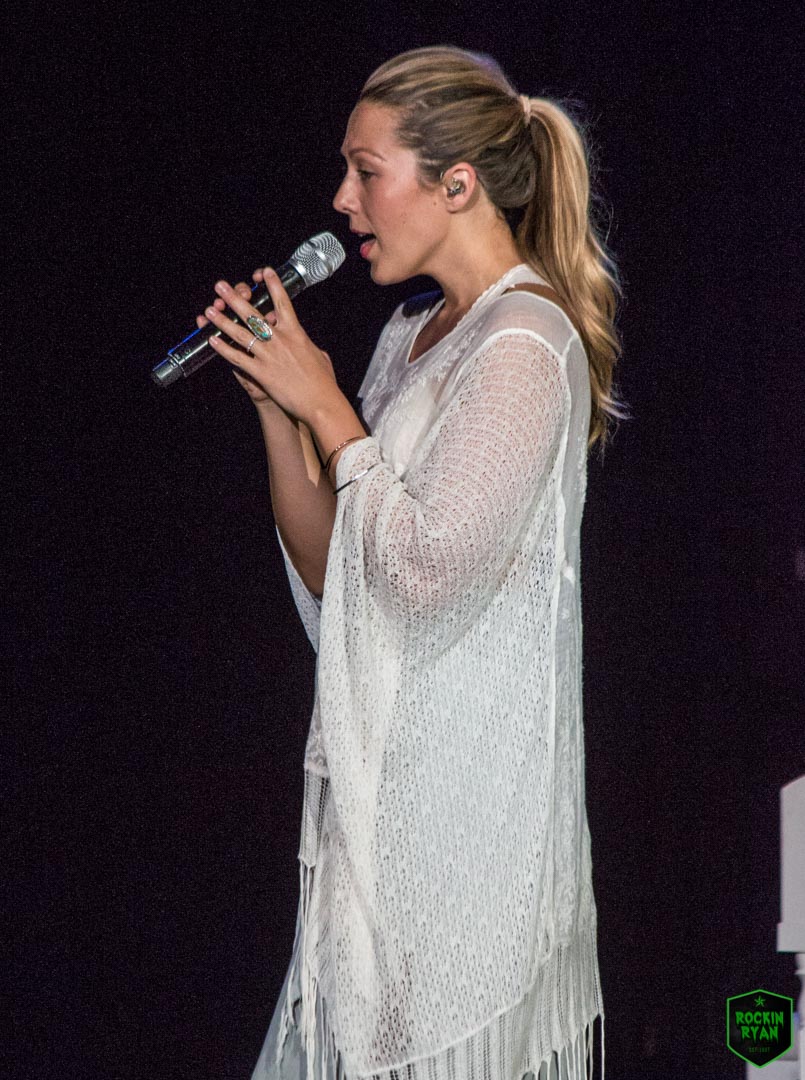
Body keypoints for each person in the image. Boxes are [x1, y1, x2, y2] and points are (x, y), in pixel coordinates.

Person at [197, 44, 627, 1080]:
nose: (342, 201)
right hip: (382, 812)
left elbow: (427, 573)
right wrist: (279, 409)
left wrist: (329, 407)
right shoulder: (409, 335)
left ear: (456, 183)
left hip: (465, 825)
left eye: (365, 170)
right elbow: (337, 572)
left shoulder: (525, 339)